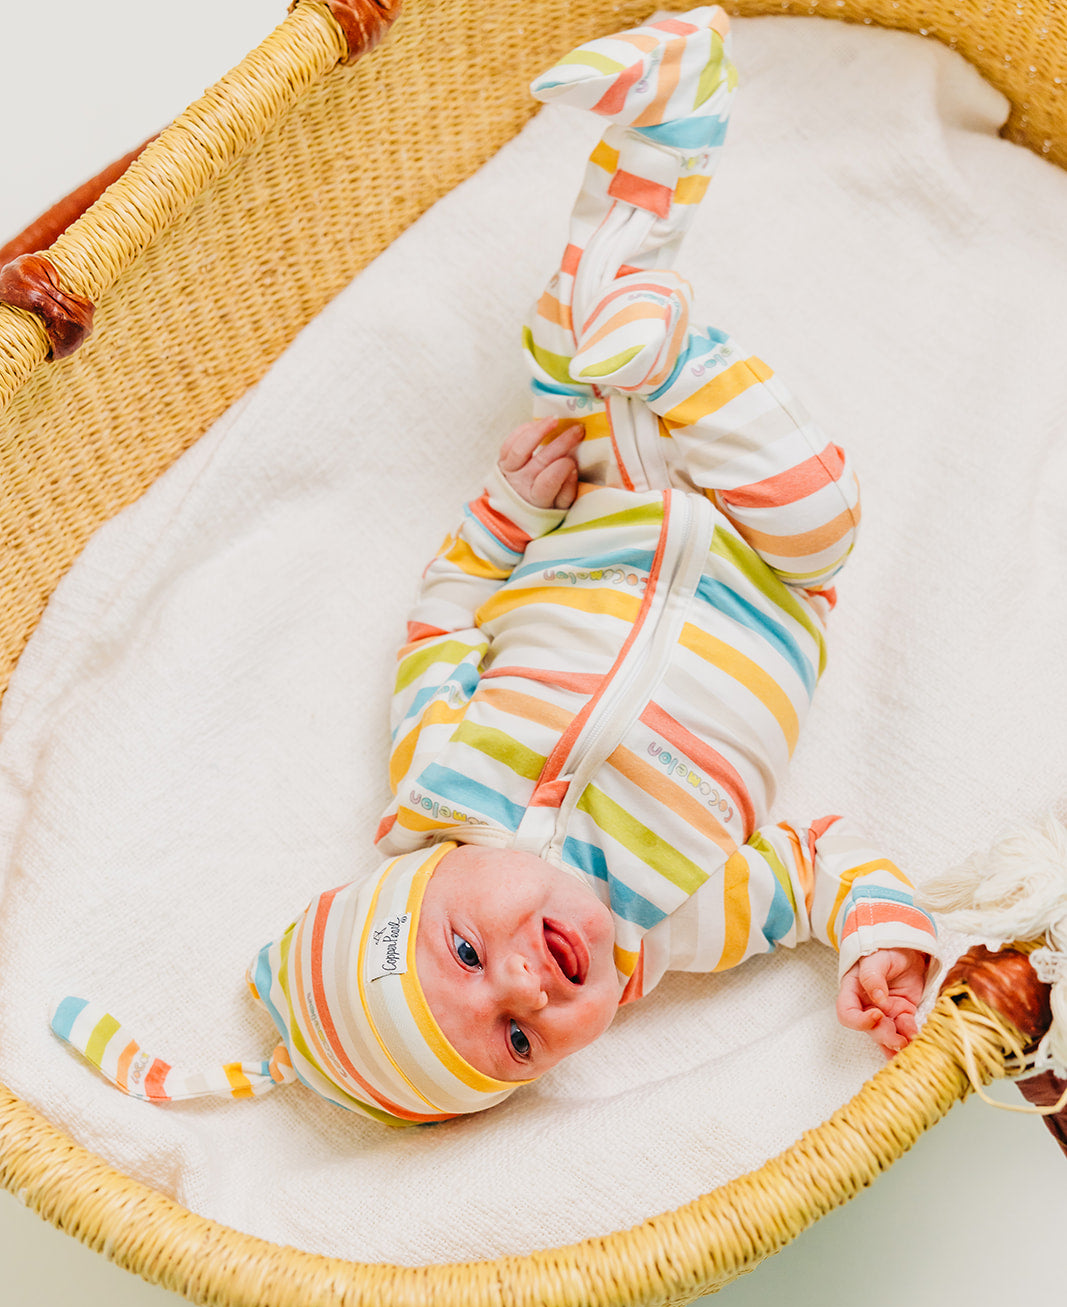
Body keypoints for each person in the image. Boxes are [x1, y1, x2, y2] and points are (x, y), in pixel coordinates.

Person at [52, 7, 937, 1124]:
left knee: (563, 348)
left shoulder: (436, 772)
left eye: (462, 950)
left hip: (601, 506)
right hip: (770, 564)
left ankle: (670, 114)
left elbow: (446, 620)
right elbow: (818, 866)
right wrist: (878, 939)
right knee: (826, 514)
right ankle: (672, 355)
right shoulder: (688, 918)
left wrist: (509, 509)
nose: (522, 982)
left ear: (417, 877)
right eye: (517, 1038)